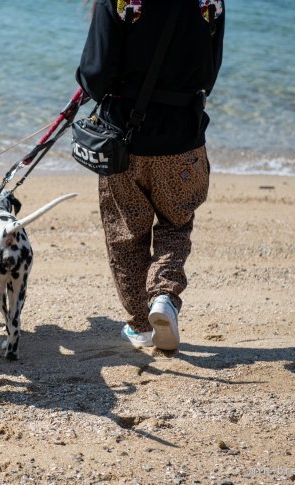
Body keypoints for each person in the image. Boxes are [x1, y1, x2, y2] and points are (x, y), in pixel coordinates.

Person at [75, 0, 225, 350]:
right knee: (176, 222)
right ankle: (164, 298)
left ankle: (141, 325)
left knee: (126, 232)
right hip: (183, 137)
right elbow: (210, 75)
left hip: (125, 139)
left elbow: (95, 75)